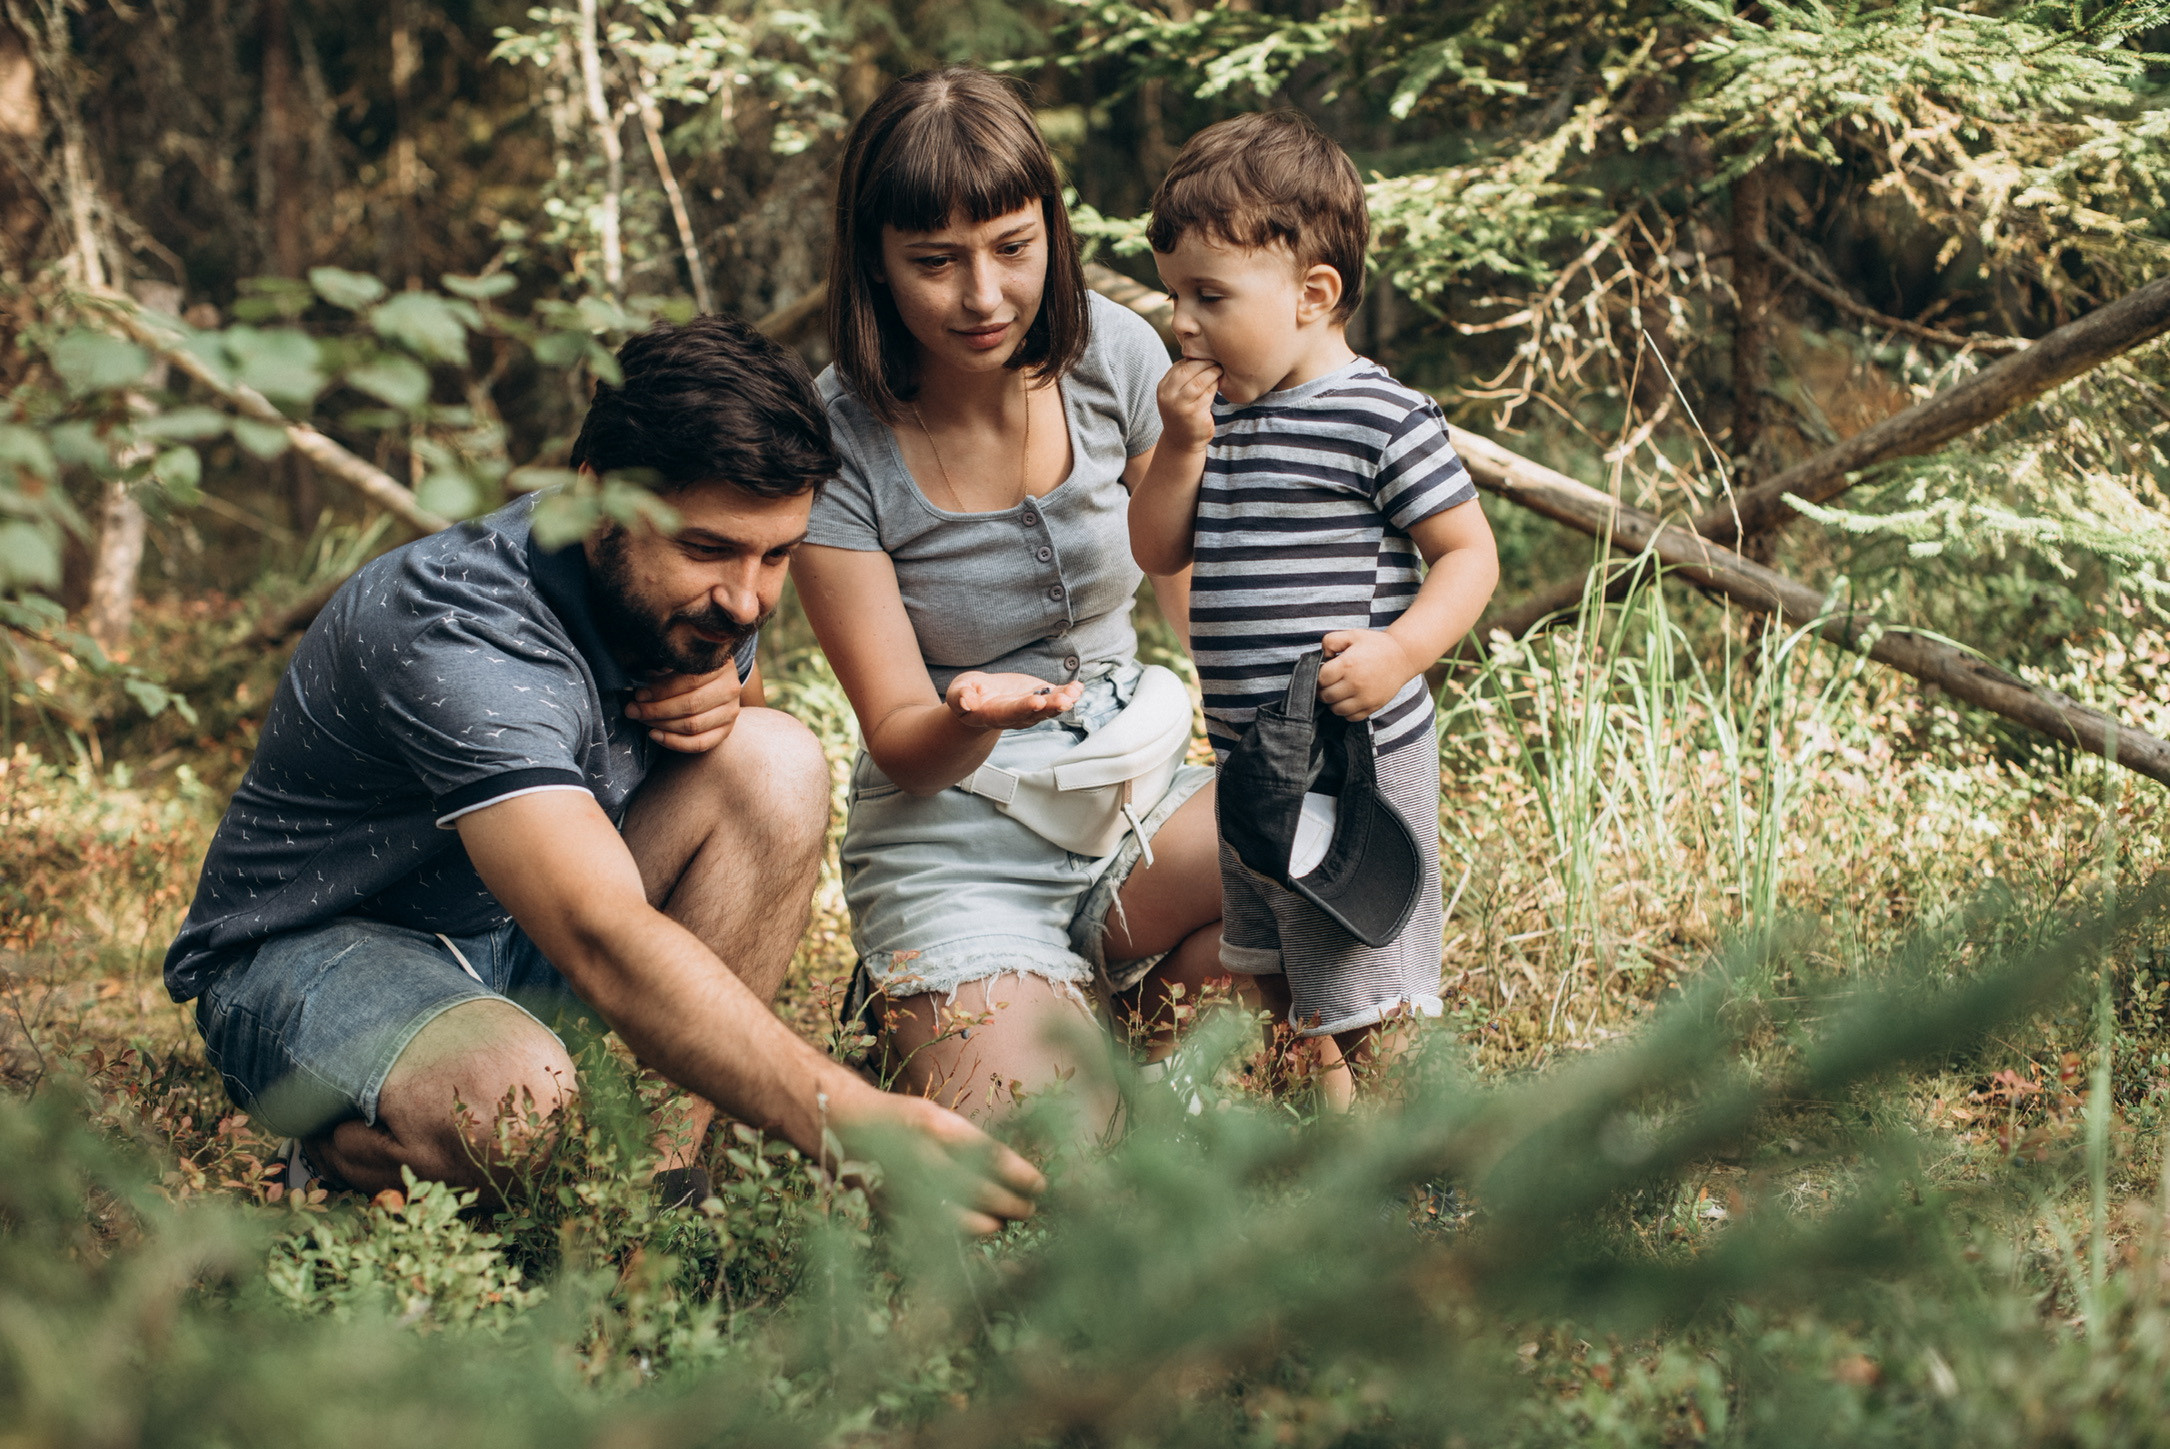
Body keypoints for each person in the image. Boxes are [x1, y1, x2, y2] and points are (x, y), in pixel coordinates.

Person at [163, 315, 1041, 1231]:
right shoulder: (460, 628)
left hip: (512, 927)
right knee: (517, 1102)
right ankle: (338, 1151)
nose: (747, 599)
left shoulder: (680, 600)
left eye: (776, 554)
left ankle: (653, 1191)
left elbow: (745, 698)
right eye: (707, 549)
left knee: (774, 759)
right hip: (320, 949)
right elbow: (598, 931)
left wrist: (728, 697)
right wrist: (843, 1116)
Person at [789, 66, 1226, 1125]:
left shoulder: (1114, 354)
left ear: (1051, 234)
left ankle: (1106, 1002)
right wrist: (969, 716)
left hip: (1138, 795)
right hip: (958, 833)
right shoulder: (833, 439)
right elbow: (899, 735)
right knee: (1052, 1149)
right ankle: (964, 997)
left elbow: (1186, 587)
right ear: (874, 266)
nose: (983, 298)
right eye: (934, 263)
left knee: (1330, 857)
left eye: (1012, 248)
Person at [1127, 111, 1500, 1102]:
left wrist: (1401, 651)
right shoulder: (1219, 420)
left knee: (1361, 976)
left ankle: (1429, 1170)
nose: (1182, 323)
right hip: (1253, 758)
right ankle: (1338, 1146)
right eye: (1174, 297)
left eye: (1209, 296)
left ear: (1312, 295)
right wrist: (1177, 447)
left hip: (1352, 755)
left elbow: (1467, 553)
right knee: (1278, 970)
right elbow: (1157, 546)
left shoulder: (1378, 415)